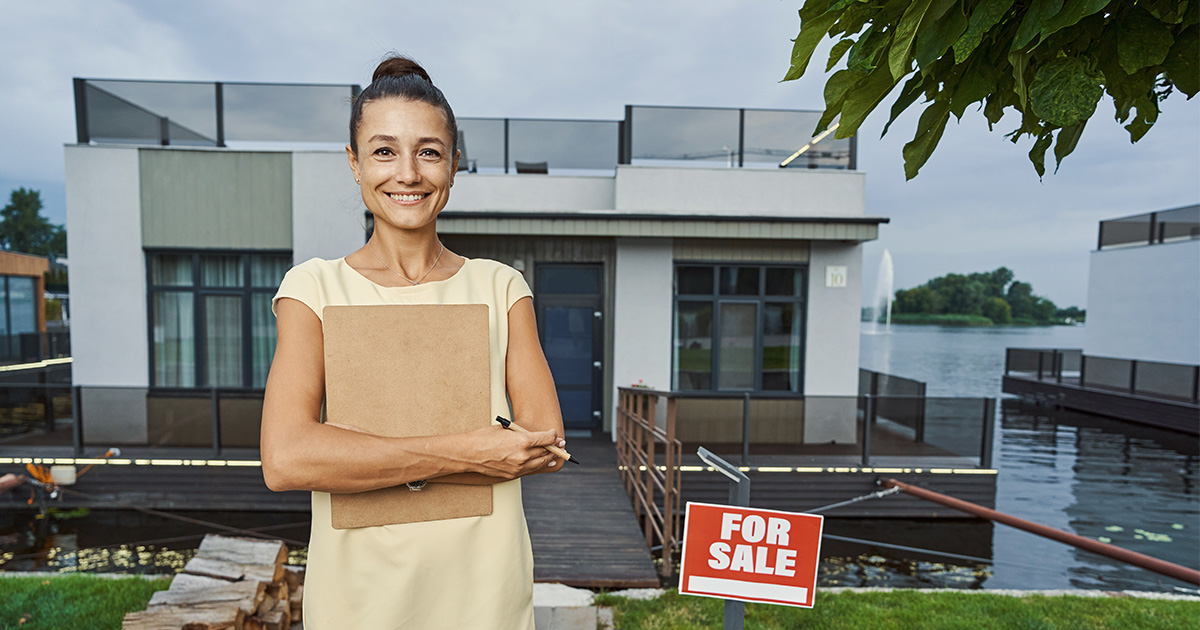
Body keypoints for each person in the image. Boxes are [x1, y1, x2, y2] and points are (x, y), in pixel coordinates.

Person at [260, 55, 565, 630]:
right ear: (353, 164)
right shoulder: (313, 289)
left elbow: (543, 442)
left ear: (454, 163)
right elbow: (285, 458)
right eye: (383, 151)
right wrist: (477, 449)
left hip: (484, 597)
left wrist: (354, 450)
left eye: (428, 151)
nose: (408, 173)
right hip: (359, 602)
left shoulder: (500, 287)